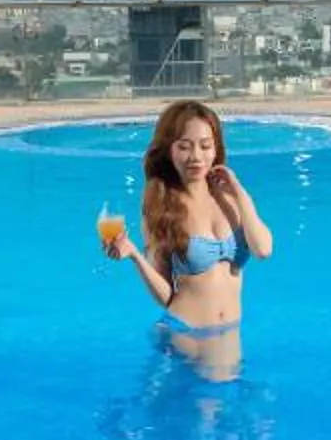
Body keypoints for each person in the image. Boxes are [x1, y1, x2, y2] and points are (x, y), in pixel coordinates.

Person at [103, 100, 273, 375]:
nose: (196, 156)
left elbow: (263, 249)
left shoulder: (229, 196)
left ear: (216, 148)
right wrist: (135, 255)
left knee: (234, 410)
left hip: (230, 331)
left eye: (205, 146)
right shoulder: (161, 206)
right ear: (169, 150)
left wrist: (239, 191)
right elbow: (168, 296)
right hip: (187, 335)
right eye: (184, 146)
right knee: (205, 411)